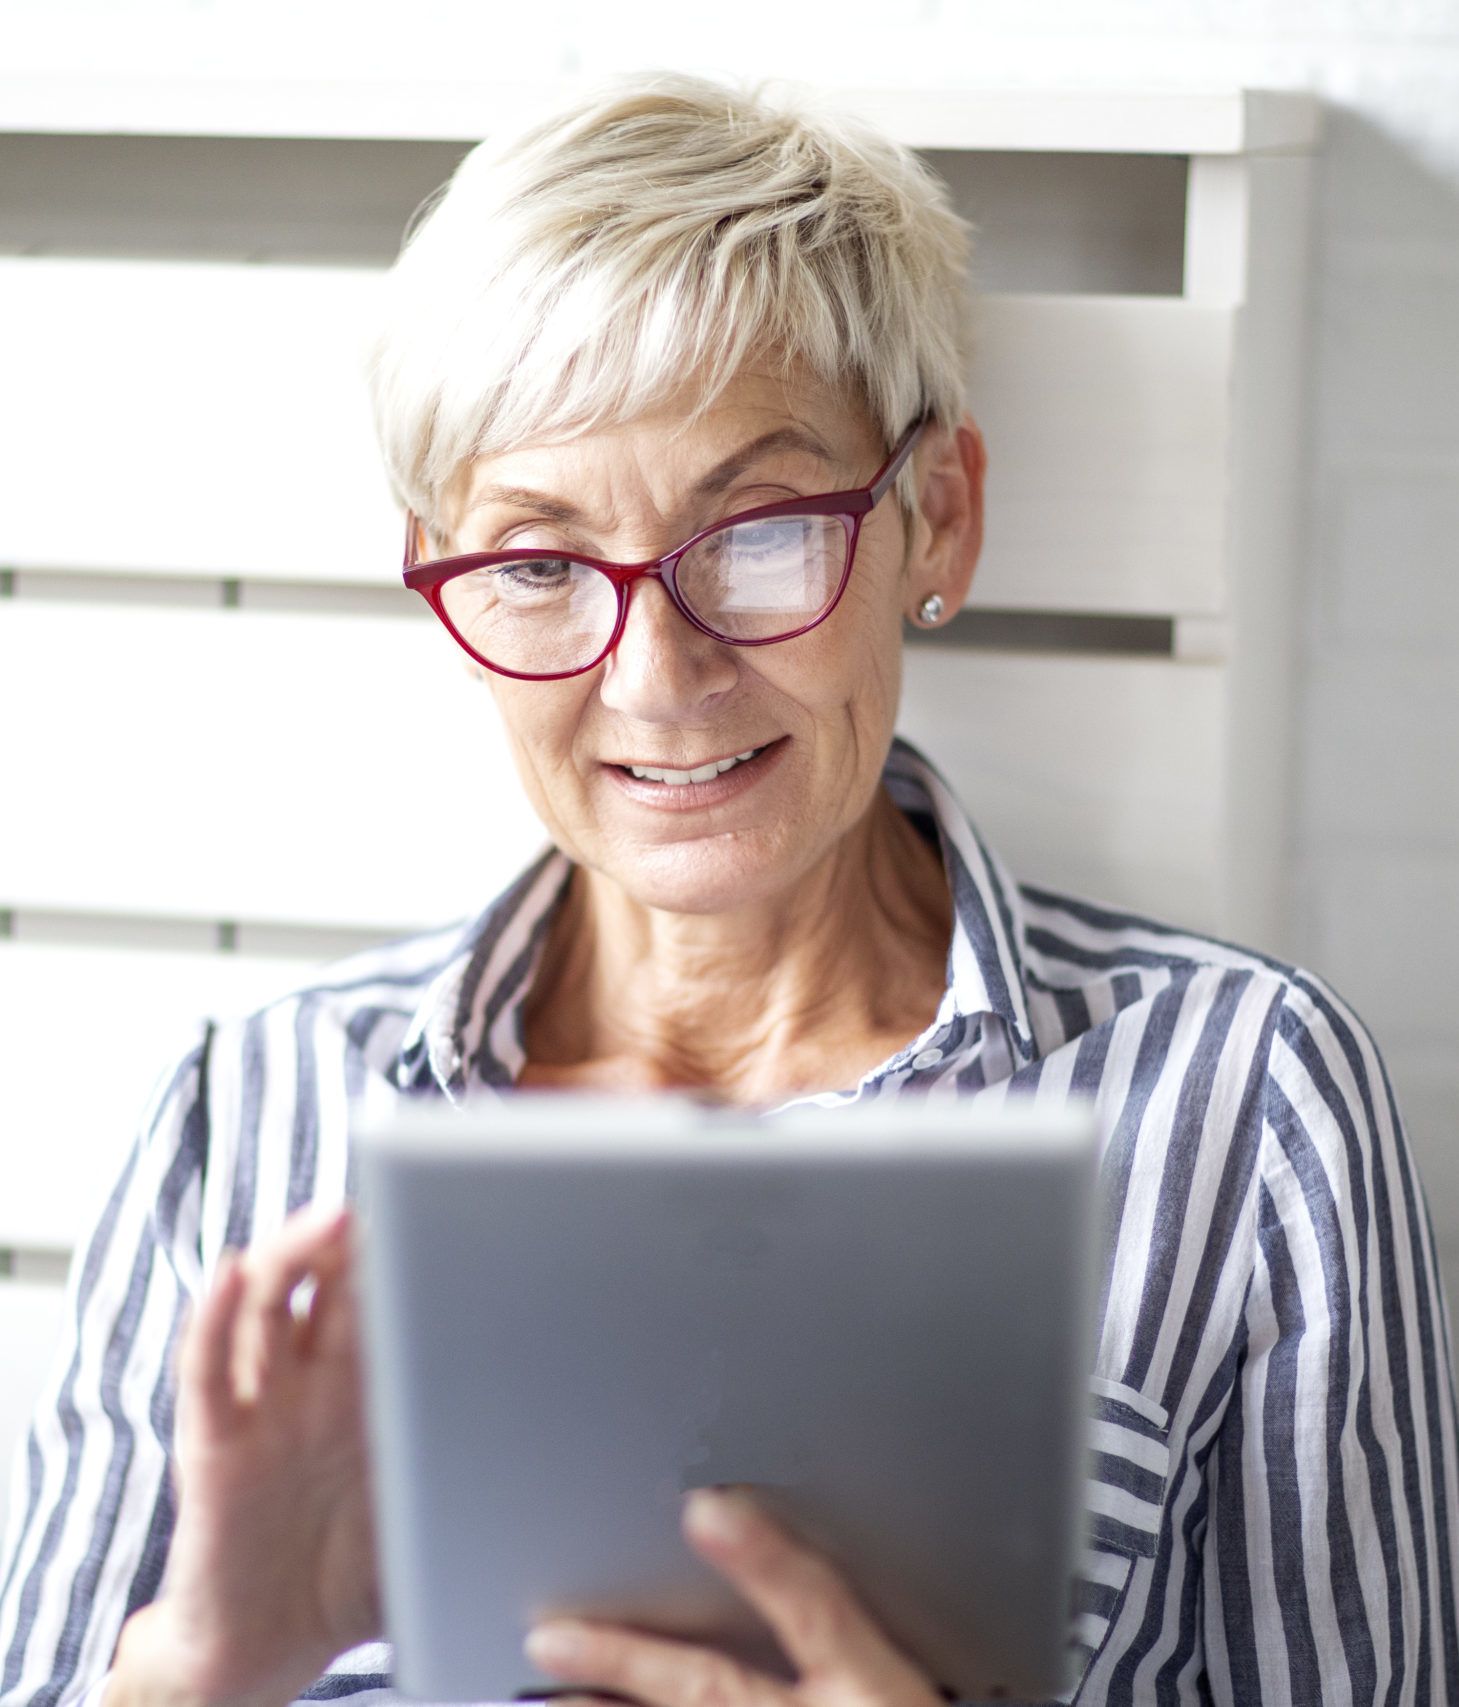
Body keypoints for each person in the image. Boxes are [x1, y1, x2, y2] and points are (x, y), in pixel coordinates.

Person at [1, 73, 1456, 1707]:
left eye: (756, 532)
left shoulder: (1246, 1104)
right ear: (442, 587)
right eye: (542, 564)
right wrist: (198, 1670)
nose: (656, 676)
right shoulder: (240, 1119)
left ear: (938, 522)